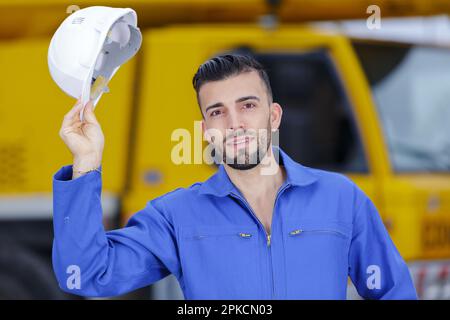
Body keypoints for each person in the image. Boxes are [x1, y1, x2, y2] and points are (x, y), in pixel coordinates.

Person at [53, 54, 417, 299]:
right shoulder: (177, 216)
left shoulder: (341, 198)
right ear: (206, 131)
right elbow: (86, 275)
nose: (235, 123)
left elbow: (394, 291)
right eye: (217, 112)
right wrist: (87, 161)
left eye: (247, 105)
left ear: (273, 117)